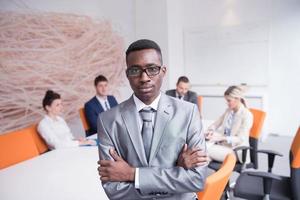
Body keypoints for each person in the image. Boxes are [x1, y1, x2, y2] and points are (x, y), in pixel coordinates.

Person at [97, 39, 208, 200]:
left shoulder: (188, 112)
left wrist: (132, 174)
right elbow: (113, 189)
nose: (144, 78)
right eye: (135, 70)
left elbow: (197, 179)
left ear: (163, 71)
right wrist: (177, 173)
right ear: (127, 74)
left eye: (152, 69)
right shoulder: (107, 120)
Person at [205, 86, 253, 162]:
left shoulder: (246, 115)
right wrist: (211, 130)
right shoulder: (228, 111)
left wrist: (221, 138)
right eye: (226, 100)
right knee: (204, 159)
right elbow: (216, 124)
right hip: (223, 146)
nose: (227, 103)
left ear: (237, 99)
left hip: (236, 151)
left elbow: (240, 139)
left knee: (203, 150)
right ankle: (218, 174)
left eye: (229, 100)